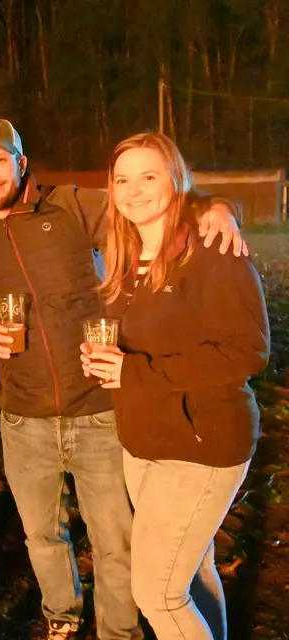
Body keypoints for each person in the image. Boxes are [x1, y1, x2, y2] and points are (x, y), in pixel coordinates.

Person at [0, 115, 246, 640]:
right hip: (24, 418)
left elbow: (149, 204)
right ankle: (62, 617)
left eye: (1, 159)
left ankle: (119, 632)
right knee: (43, 536)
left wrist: (219, 207)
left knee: (116, 541)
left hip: (98, 409)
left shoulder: (68, 205)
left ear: (22, 163)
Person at [80, 132, 269, 639]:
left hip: (200, 444)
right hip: (144, 442)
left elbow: (247, 350)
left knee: (158, 593)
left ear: (176, 181)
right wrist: (104, 358)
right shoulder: (124, 255)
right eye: (122, 180)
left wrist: (134, 372)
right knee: (193, 572)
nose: (134, 190)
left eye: (149, 176)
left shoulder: (213, 248)